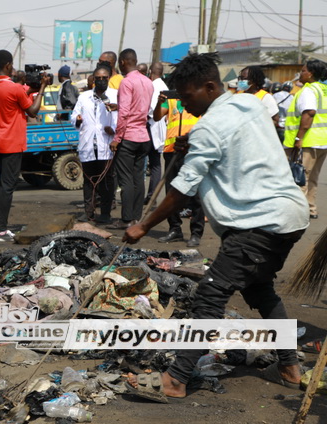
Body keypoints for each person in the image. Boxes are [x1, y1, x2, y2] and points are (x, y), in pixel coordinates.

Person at [124, 53, 309, 398]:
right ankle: (289, 367)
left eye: (188, 95)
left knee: (211, 293)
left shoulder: (209, 127)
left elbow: (181, 193)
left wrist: (143, 226)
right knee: (259, 289)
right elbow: (236, 147)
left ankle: (176, 379)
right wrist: (193, 145)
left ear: (209, 87)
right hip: (289, 217)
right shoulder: (249, 105)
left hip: (259, 222)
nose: (184, 103)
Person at [0, 49, 47, 242]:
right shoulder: (15, 89)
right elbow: (32, 111)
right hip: (12, 144)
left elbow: (13, 100)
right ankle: (1, 230)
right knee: (8, 187)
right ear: (8, 65)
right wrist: (43, 87)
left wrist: (29, 91)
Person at [106, 49, 154, 229]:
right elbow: (140, 107)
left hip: (129, 137)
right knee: (138, 179)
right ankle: (136, 218)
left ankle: (126, 219)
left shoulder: (126, 82)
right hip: (143, 135)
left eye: (120, 62)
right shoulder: (147, 82)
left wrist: (117, 138)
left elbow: (125, 113)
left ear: (125, 62)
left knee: (125, 180)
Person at [153, 91, 204, 246]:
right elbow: (156, 117)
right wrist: (158, 102)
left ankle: (196, 233)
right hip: (171, 150)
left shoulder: (197, 98)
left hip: (192, 150)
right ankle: (175, 229)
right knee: (171, 192)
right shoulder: (170, 100)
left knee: (195, 193)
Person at [70, 64, 118, 223]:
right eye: (99, 78)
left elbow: (122, 117)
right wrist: (77, 119)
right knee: (89, 181)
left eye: (105, 78)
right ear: (94, 80)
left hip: (107, 144)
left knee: (106, 181)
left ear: (109, 78)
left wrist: (114, 129)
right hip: (89, 144)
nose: (102, 81)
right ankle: (88, 212)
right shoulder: (84, 97)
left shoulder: (115, 96)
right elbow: (74, 115)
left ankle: (105, 213)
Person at [282, 59, 327, 219]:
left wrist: (299, 138)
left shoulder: (308, 90)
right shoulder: (323, 89)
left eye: (303, 71)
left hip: (308, 140)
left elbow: (309, 113)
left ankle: (298, 212)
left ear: (311, 73)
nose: (300, 73)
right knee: (312, 177)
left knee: (300, 177)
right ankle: (311, 208)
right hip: (322, 141)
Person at [145, 61, 168, 205]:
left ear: (151, 71)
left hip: (151, 127)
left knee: (151, 163)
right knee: (155, 164)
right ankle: (151, 196)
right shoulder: (165, 86)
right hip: (159, 129)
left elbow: (151, 110)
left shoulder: (154, 86)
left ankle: (150, 196)